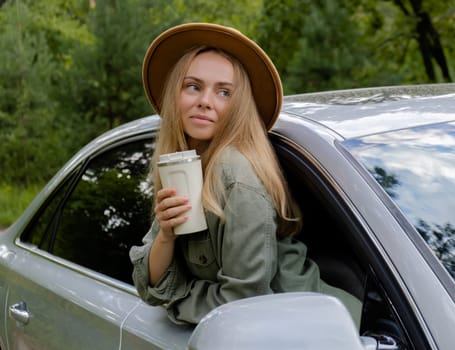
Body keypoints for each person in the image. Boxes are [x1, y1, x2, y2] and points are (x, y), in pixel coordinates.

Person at [129, 22, 362, 326]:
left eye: (224, 92)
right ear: (176, 94)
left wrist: (179, 296)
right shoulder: (183, 167)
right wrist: (166, 234)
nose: (205, 101)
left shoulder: (235, 172)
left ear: (239, 106)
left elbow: (242, 305)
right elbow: (148, 285)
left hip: (320, 333)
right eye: (193, 86)